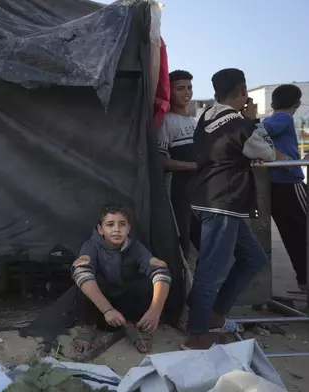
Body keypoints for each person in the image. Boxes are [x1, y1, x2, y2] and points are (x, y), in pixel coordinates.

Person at [185, 68, 277, 349]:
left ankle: (214, 315)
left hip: (209, 201)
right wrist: (253, 122)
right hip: (223, 205)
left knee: (254, 258)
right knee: (211, 270)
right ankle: (197, 334)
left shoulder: (206, 117)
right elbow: (268, 152)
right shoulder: (240, 124)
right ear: (242, 92)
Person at [71, 203, 171, 356]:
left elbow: (160, 270)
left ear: (129, 228)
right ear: (100, 229)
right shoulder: (91, 246)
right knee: (86, 282)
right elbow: (81, 271)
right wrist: (107, 309)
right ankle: (89, 326)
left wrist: (155, 310)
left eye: (122, 224)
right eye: (110, 224)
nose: (116, 229)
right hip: (101, 300)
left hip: (124, 297)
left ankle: (132, 324)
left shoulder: (135, 247)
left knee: (145, 283)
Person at [263, 84, 307, 292]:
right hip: (290, 184)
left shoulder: (268, 119)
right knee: (303, 233)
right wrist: (280, 156)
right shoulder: (284, 118)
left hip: (274, 186)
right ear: (296, 104)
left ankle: (303, 280)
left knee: (291, 235)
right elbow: (262, 133)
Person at [157, 70, 201, 257]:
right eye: (180, 88)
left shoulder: (196, 121)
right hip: (177, 194)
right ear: (169, 91)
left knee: (207, 247)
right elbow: (161, 161)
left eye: (189, 88)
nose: (187, 93)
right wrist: (194, 167)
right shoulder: (164, 122)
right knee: (180, 247)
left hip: (199, 195)